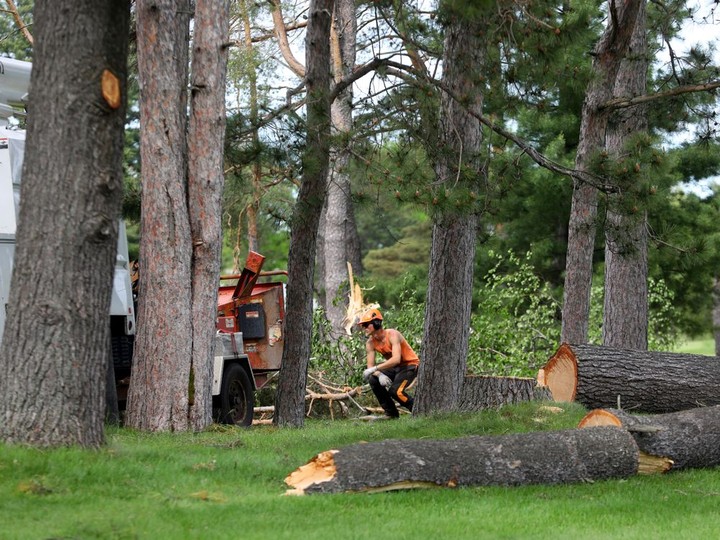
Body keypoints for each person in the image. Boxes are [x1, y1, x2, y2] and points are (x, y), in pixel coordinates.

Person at [359, 308, 419, 418]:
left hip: (409, 365)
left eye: (366, 325)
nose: (364, 328)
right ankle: (391, 413)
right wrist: (380, 374)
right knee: (373, 379)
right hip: (396, 367)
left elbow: (396, 359)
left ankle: (418, 411)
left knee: (396, 392)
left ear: (376, 323)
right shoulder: (370, 343)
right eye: (363, 325)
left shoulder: (392, 334)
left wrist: (374, 369)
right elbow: (370, 367)